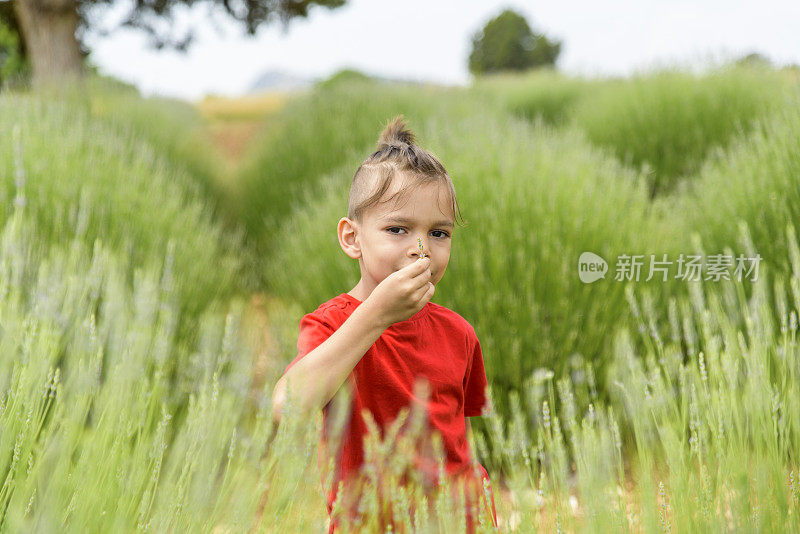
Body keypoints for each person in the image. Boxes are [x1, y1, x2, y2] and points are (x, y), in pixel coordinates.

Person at [271, 115, 498, 533]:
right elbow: (288, 407)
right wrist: (374, 315)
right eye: (398, 229)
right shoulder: (334, 324)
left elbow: (456, 440)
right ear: (352, 238)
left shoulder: (458, 334)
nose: (421, 250)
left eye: (439, 233)